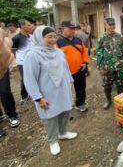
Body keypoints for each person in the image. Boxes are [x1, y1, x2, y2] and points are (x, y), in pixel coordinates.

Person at [23, 26, 77, 155]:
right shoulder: (32, 55)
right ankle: (52, 141)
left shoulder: (58, 52)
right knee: (50, 117)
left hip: (62, 88)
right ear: (40, 38)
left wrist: (70, 83)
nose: (53, 40)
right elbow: (29, 79)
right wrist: (38, 97)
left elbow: (65, 69)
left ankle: (63, 133)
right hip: (46, 93)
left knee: (65, 111)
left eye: (55, 36)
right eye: (49, 37)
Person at [95, 18, 123, 110]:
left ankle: (120, 99)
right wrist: (100, 67)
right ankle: (108, 100)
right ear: (105, 25)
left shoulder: (120, 36)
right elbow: (98, 53)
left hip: (119, 65)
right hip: (107, 67)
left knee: (120, 82)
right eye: (110, 25)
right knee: (107, 84)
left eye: (113, 24)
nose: (112, 27)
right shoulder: (102, 38)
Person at [57, 21, 89, 112]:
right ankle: (65, 107)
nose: (73, 31)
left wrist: (85, 62)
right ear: (63, 29)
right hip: (65, 72)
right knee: (65, 90)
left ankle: (80, 103)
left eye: (74, 28)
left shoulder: (77, 40)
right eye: (70, 28)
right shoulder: (58, 42)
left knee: (81, 88)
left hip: (79, 69)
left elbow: (84, 52)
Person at [12, 19, 32, 104]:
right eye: (28, 25)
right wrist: (18, 59)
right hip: (22, 63)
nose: (30, 26)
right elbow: (13, 51)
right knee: (24, 79)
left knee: (33, 77)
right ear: (22, 26)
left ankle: (33, 92)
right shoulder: (16, 38)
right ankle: (24, 95)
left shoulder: (31, 36)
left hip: (32, 61)